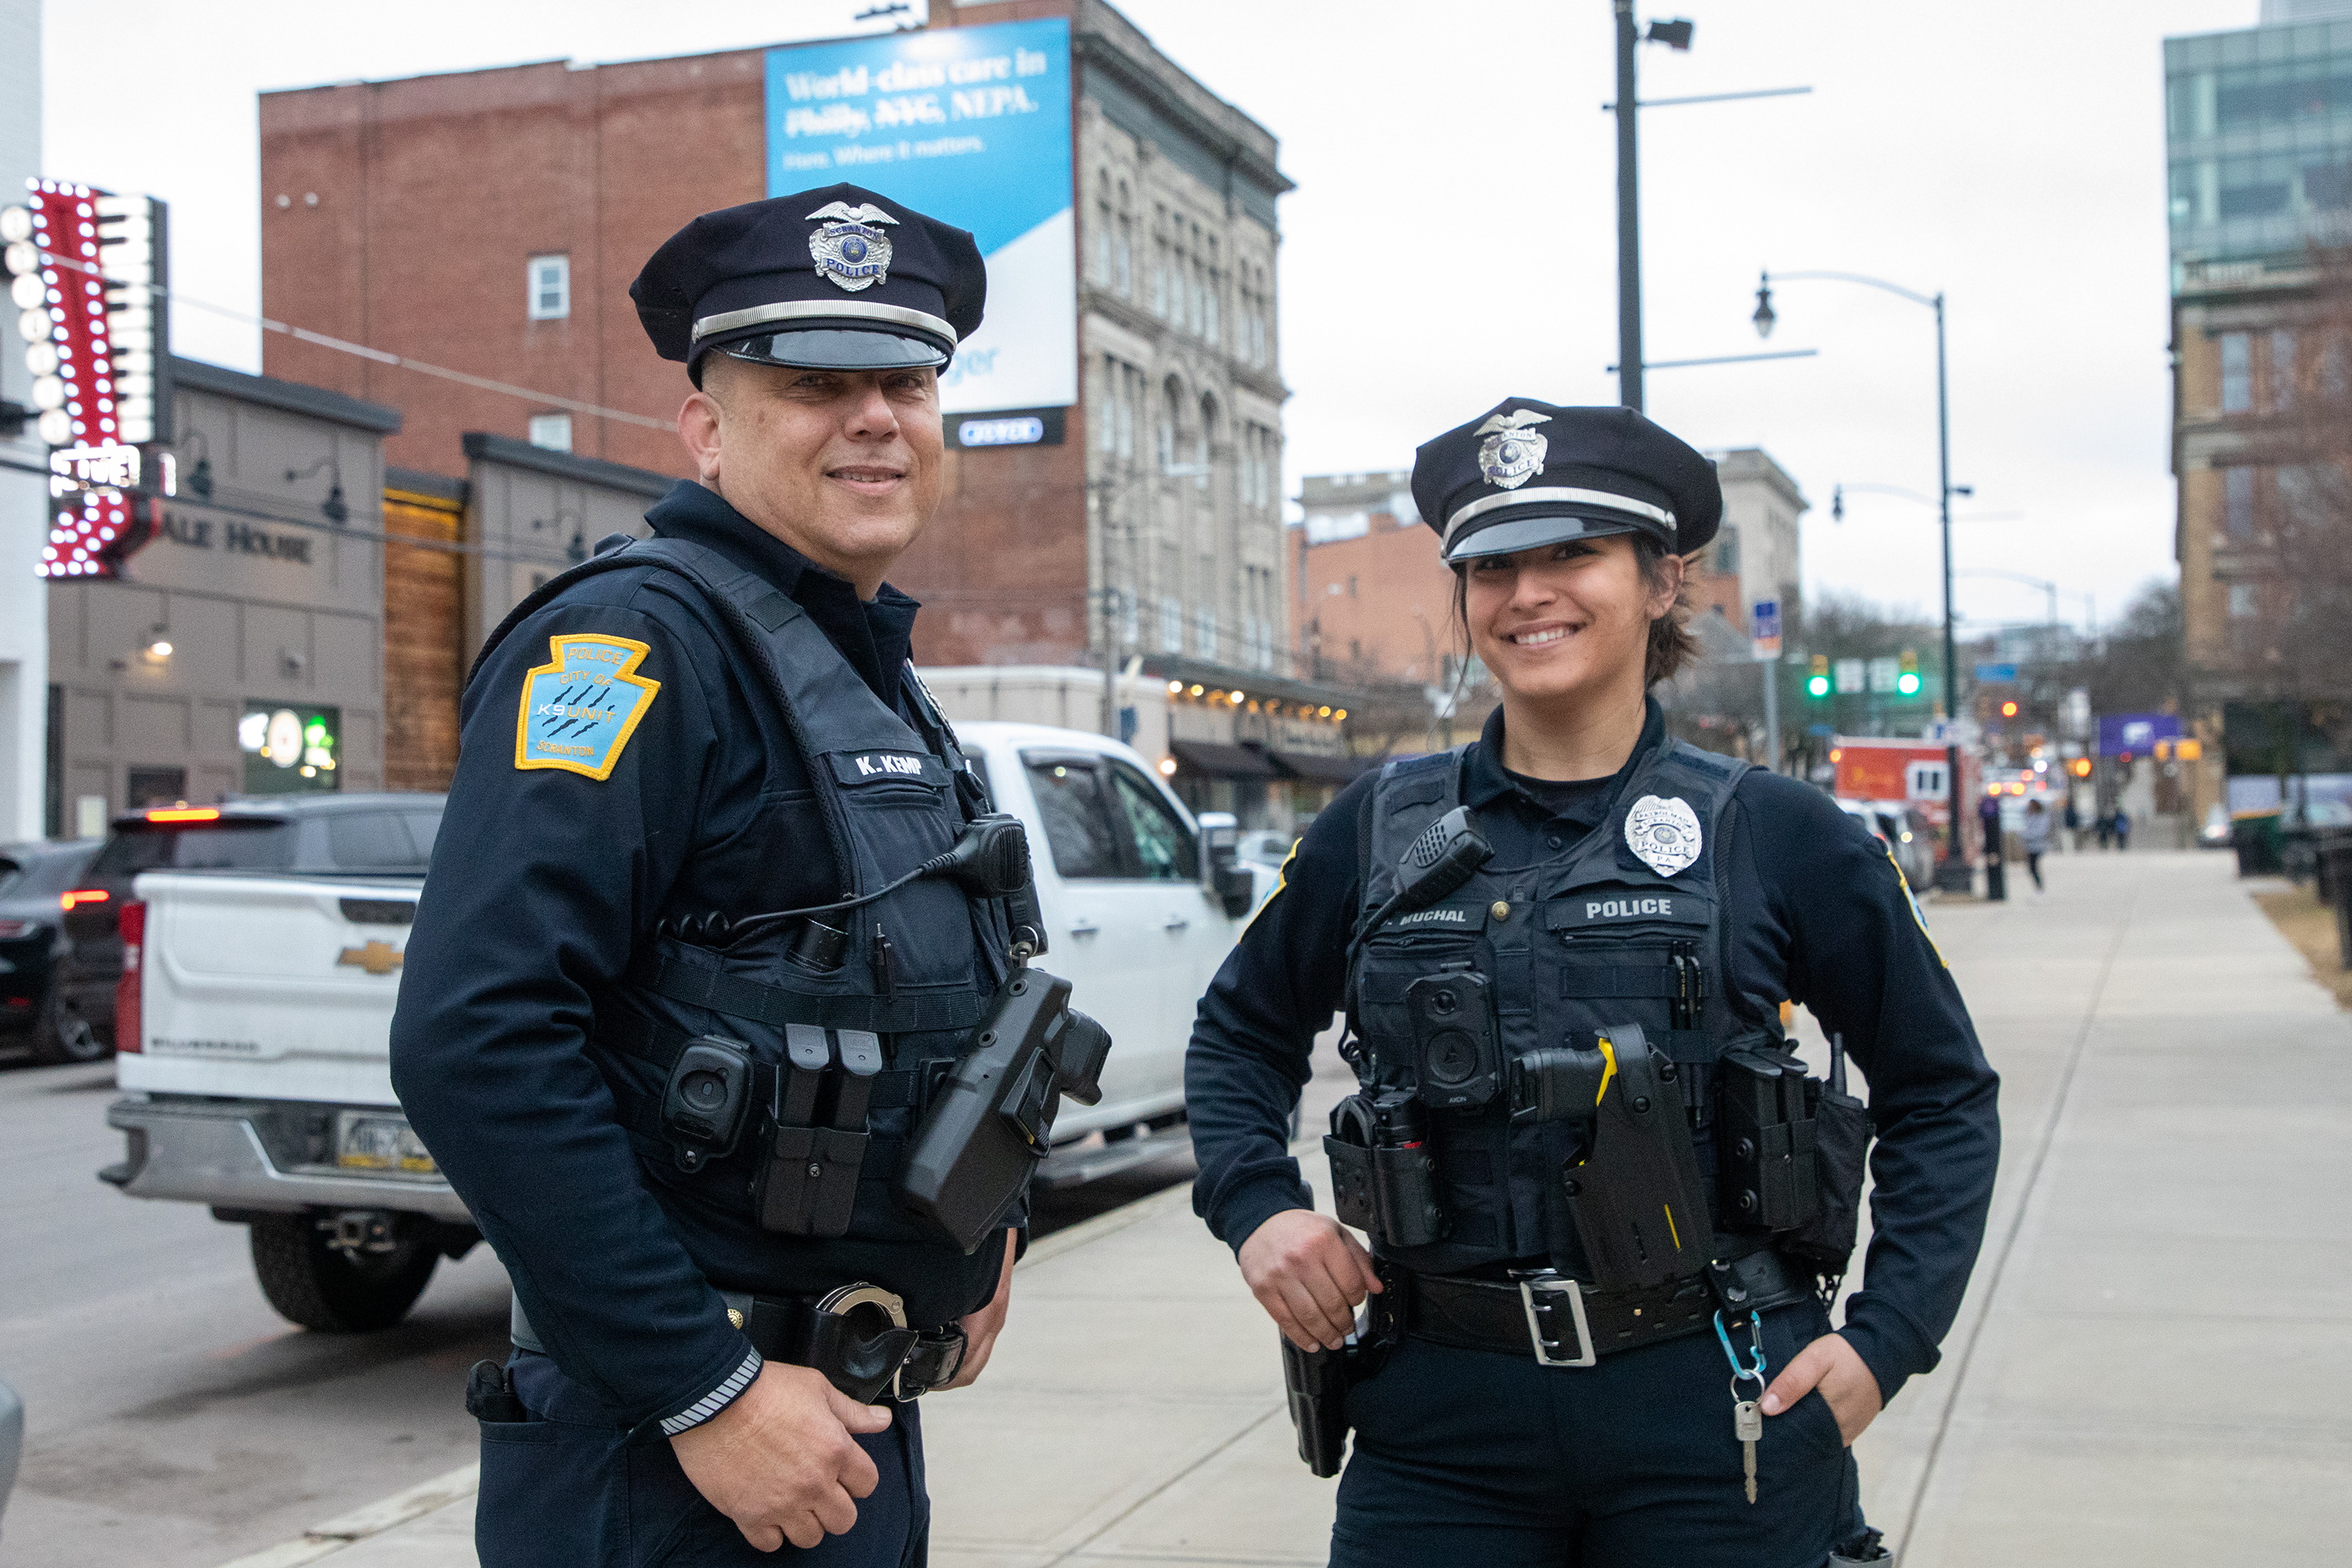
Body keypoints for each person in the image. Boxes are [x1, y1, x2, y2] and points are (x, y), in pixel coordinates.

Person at [1185, 399, 2001, 1568]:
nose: (1529, 595)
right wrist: (1256, 1208)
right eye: (1494, 566)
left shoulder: (1775, 831)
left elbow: (1944, 1094)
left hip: (1718, 1411)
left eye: (1572, 554)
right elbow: (1237, 1035)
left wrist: (1885, 1342)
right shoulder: (1381, 827)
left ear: (1664, 582)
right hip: (1439, 1428)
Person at [391, 184, 1038, 1567]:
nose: (875, 416)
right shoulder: (634, 645)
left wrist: (987, 1236)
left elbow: (937, 1002)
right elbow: (475, 1041)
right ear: (706, 428)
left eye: (908, 381)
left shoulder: (864, 670)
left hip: (840, 1418)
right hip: (674, 1448)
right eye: (814, 383)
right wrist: (707, 1387)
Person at [2021, 798, 2052, 893]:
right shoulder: (2029, 817)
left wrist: (2027, 835)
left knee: (2034, 867)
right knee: (2031, 868)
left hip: (2038, 846)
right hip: (2029, 846)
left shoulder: (2042, 817)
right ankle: (2038, 888)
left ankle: (2040, 889)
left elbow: (2042, 832)